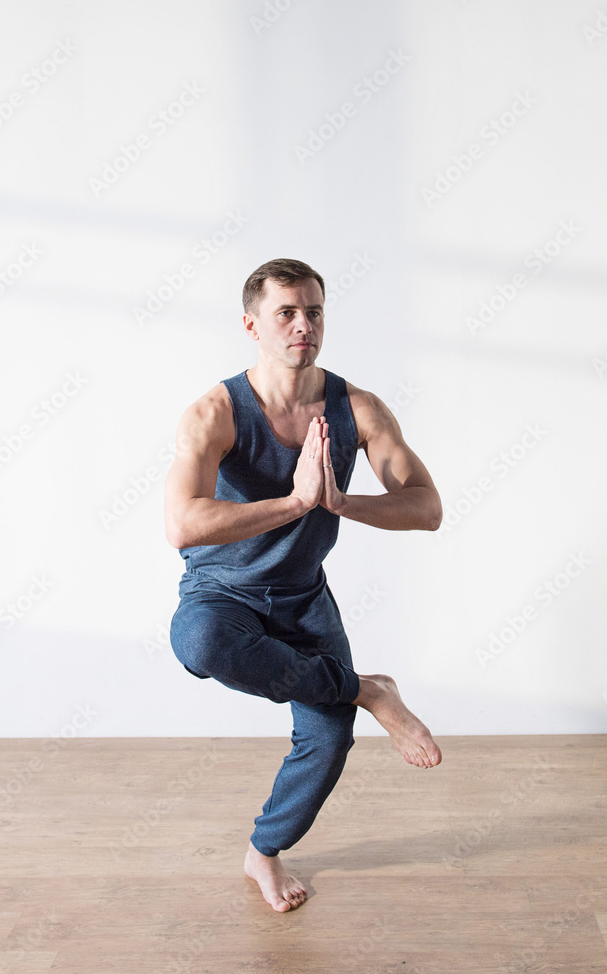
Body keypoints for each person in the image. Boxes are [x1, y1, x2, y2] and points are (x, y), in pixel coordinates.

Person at [164, 258, 443, 912]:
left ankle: (263, 851)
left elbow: (426, 508)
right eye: (286, 312)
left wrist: (341, 502)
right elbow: (182, 526)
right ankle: (366, 689)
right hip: (222, 597)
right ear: (251, 324)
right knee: (198, 640)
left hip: (302, 600)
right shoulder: (215, 413)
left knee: (326, 739)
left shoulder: (358, 408)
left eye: (313, 311)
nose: (302, 325)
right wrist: (294, 503)